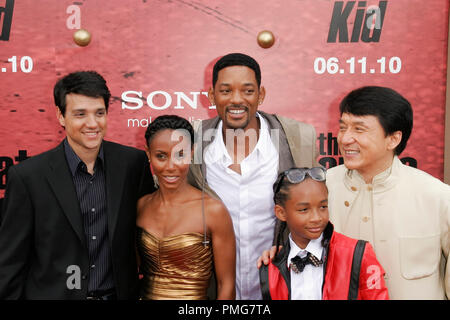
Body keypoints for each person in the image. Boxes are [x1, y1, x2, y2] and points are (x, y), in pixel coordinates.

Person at [260, 86, 449, 300]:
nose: (345, 138)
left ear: (393, 139)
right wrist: (281, 256)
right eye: (343, 128)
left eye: (359, 129)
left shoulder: (438, 198)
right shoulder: (318, 189)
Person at [0, 71, 155, 299]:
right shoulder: (28, 177)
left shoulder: (132, 164)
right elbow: (10, 262)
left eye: (99, 113)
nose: (92, 124)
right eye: (80, 114)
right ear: (61, 116)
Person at [188, 53, 318, 299]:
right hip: (215, 291)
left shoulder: (299, 139)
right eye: (225, 91)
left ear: (261, 95)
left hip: (281, 287)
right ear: (211, 96)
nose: (236, 100)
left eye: (247, 91)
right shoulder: (191, 140)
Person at [136, 115, 235, 300]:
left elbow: (226, 286)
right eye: (161, 156)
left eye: (180, 155)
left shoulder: (213, 211)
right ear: (148, 154)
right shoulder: (142, 206)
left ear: (192, 152)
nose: (171, 166)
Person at [259, 167, 389, 300]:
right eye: (304, 209)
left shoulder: (359, 254)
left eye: (323, 207)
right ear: (281, 213)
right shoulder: (271, 267)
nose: (316, 218)